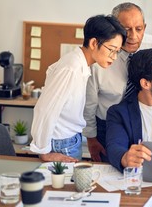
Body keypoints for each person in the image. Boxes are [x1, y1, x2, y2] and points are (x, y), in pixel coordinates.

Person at [30, 15, 126, 162]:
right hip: (62, 143)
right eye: (111, 50)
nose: (114, 57)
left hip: (69, 139)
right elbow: (45, 109)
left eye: (117, 51)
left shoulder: (81, 64)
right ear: (94, 42)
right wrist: (43, 151)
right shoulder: (71, 68)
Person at [83, 2, 152, 162]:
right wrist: (91, 138)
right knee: (112, 173)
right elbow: (89, 103)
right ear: (114, 28)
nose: (133, 36)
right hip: (106, 125)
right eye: (126, 29)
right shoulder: (99, 55)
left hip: (144, 122)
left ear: (145, 27)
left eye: (139, 29)